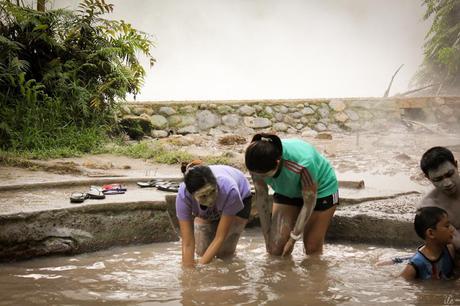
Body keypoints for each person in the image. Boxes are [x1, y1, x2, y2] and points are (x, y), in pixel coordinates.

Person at [245, 133, 338, 256]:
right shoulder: (254, 158)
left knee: (312, 249)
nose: (259, 178)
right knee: (275, 249)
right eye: (255, 174)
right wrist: (267, 236)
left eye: (264, 175)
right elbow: (261, 196)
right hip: (287, 191)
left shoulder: (304, 163)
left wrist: (293, 238)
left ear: (277, 163)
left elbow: (309, 203)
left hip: (321, 191)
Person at [175, 162, 252, 266]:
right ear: (191, 195)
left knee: (224, 253)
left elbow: (220, 237)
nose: (210, 200)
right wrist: (189, 273)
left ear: (216, 183)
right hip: (205, 210)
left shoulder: (230, 190)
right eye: (203, 196)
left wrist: (201, 267)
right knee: (201, 251)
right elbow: (187, 242)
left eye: (212, 191)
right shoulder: (183, 197)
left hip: (241, 197)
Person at [417, 146, 460, 251]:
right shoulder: (429, 207)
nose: (447, 183)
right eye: (438, 179)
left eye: (450, 174)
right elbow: (458, 244)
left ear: (456, 165)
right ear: (428, 178)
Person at [400, 207, 455, 280]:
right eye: (447, 226)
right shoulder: (415, 266)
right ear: (431, 233)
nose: (452, 229)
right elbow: (401, 283)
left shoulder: (450, 250)